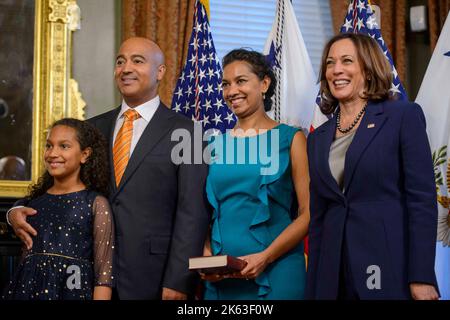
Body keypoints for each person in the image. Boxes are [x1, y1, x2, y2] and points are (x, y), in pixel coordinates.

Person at [7, 37, 210, 300]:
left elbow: (193, 211)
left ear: (160, 71)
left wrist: (179, 279)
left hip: (154, 275)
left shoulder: (190, 133)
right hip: (85, 274)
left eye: (138, 61)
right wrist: (14, 211)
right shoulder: (91, 129)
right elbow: (55, 183)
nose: (126, 68)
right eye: (120, 61)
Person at [305, 33, 440, 300]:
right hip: (332, 275)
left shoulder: (402, 116)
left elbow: (422, 201)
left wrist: (422, 275)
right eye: (330, 63)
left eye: (347, 61)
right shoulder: (317, 138)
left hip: (386, 267)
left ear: (368, 70)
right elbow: (319, 218)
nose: (336, 70)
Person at [201, 49, 310, 299]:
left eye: (241, 81)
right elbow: (204, 213)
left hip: (277, 272)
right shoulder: (213, 146)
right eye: (226, 84)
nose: (231, 91)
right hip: (222, 279)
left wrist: (265, 257)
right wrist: (206, 255)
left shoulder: (291, 139)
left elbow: (308, 213)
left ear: (264, 83)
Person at [3, 118, 113, 300]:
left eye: (64, 146)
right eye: (48, 146)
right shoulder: (34, 205)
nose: (53, 153)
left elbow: (104, 276)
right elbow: (25, 264)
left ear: (85, 155)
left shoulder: (96, 204)